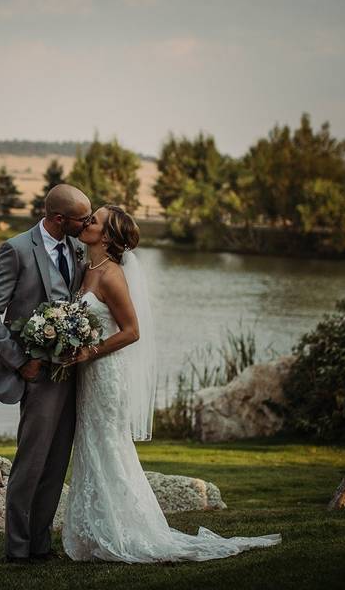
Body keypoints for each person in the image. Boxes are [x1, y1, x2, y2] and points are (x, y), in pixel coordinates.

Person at [60, 205, 282, 563]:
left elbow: (132, 332)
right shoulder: (87, 268)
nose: (86, 223)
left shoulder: (112, 275)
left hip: (106, 374)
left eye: (94, 221)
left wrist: (91, 352)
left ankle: (126, 532)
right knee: (91, 446)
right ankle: (94, 531)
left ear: (108, 236)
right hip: (89, 376)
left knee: (109, 448)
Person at [0, 184, 93, 564]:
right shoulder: (17, 249)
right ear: (59, 219)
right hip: (37, 376)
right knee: (31, 463)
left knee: (57, 462)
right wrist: (20, 361)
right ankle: (18, 548)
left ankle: (41, 544)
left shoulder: (77, 249)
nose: (88, 224)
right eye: (82, 218)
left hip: (73, 375)